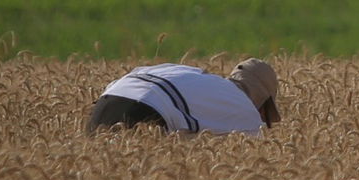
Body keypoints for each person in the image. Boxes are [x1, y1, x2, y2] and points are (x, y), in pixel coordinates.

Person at [86, 58, 280, 136]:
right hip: (146, 111)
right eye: (266, 113)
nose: (263, 119)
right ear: (262, 101)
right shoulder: (244, 109)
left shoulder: (201, 77)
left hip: (104, 104)